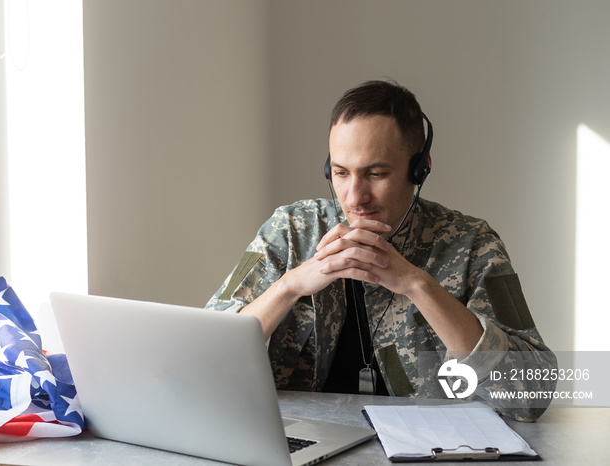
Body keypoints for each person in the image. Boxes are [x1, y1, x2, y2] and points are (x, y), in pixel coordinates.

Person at [205, 80, 556, 421]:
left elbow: (530, 395)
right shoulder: (290, 229)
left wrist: (417, 285)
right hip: (299, 446)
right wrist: (290, 286)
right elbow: (204, 356)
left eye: (375, 174)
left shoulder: (471, 244)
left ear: (420, 169)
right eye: (341, 173)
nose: (355, 197)